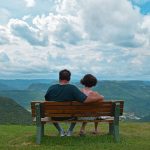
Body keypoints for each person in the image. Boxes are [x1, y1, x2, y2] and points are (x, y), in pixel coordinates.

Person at [45, 69, 104, 137]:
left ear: (59, 77)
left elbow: (47, 100)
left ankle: (61, 131)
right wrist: (100, 97)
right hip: (70, 116)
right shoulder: (72, 88)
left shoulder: (51, 88)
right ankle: (69, 131)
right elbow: (85, 100)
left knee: (52, 113)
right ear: (69, 78)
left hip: (54, 116)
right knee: (76, 113)